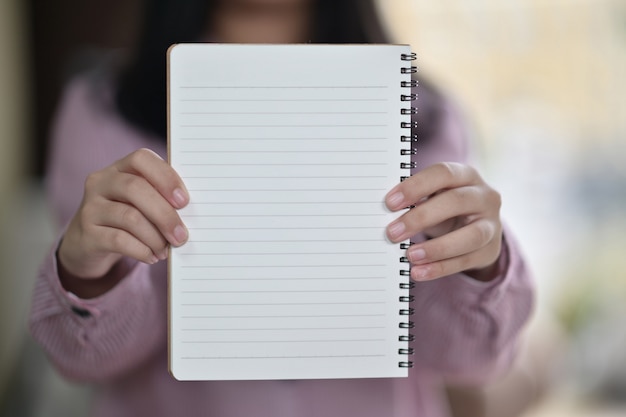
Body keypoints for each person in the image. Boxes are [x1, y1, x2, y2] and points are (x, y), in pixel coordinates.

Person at [29, 0, 534, 416]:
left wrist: (484, 267)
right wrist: (86, 274)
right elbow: (87, 360)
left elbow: (470, 360)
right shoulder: (101, 112)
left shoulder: (420, 114)